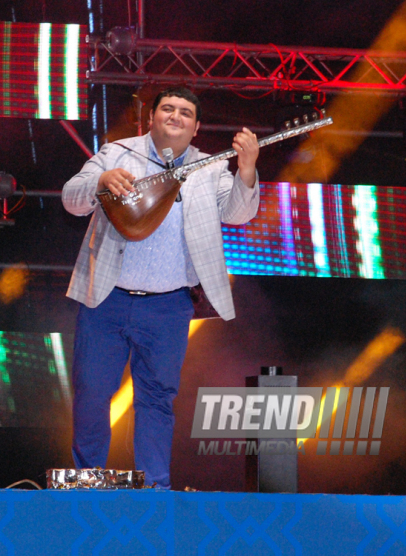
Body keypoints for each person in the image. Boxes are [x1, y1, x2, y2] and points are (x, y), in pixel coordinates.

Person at [61, 87, 260, 488]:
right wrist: (100, 179)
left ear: (196, 126)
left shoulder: (209, 166)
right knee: (92, 393)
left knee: (156, 399)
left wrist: (247, 169)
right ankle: (86, 483)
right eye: (167, 108)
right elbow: (71, 199)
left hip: (168, 307)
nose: (176, 116)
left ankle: (154, 488)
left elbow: (239, 214)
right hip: (107, 298)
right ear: (150, 117)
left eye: (185, 112)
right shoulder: (116, 153)